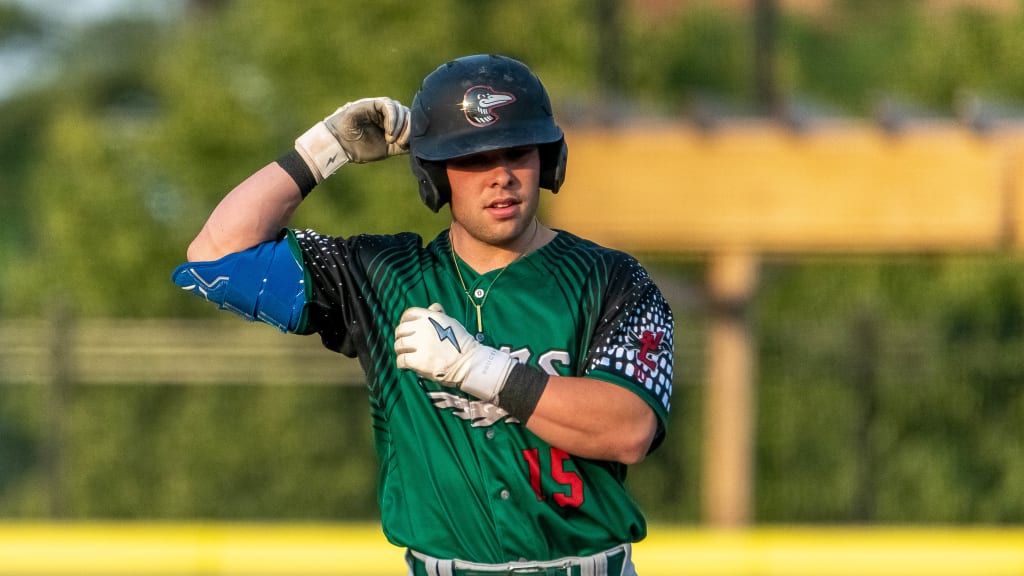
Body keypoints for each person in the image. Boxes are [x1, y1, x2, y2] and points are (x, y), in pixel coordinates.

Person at [173, 53, 674, 576]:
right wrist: (325, 149)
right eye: (473, 158)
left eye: (517, 152)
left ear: (547, 160)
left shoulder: (609, 279)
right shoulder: (383, 276)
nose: (500, 176)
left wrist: (479, 369)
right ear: (436, 174)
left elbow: (629, 428)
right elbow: (215, 253)